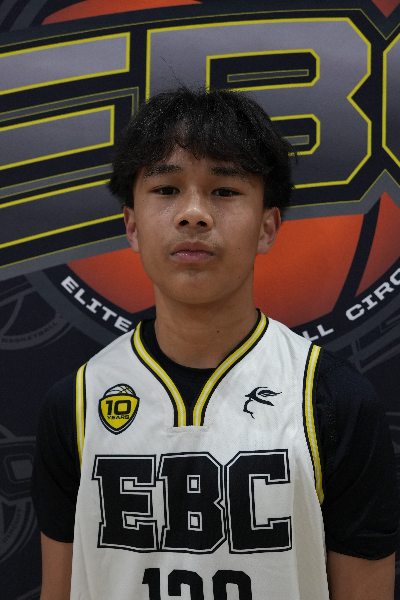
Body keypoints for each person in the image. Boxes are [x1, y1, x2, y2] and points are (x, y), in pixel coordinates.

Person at [32, 88, 399, 600]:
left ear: (267, 227)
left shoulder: (335, 402)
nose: (193, 214)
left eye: (224, 191)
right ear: (132, 226)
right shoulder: (77, 404)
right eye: (166, 189)